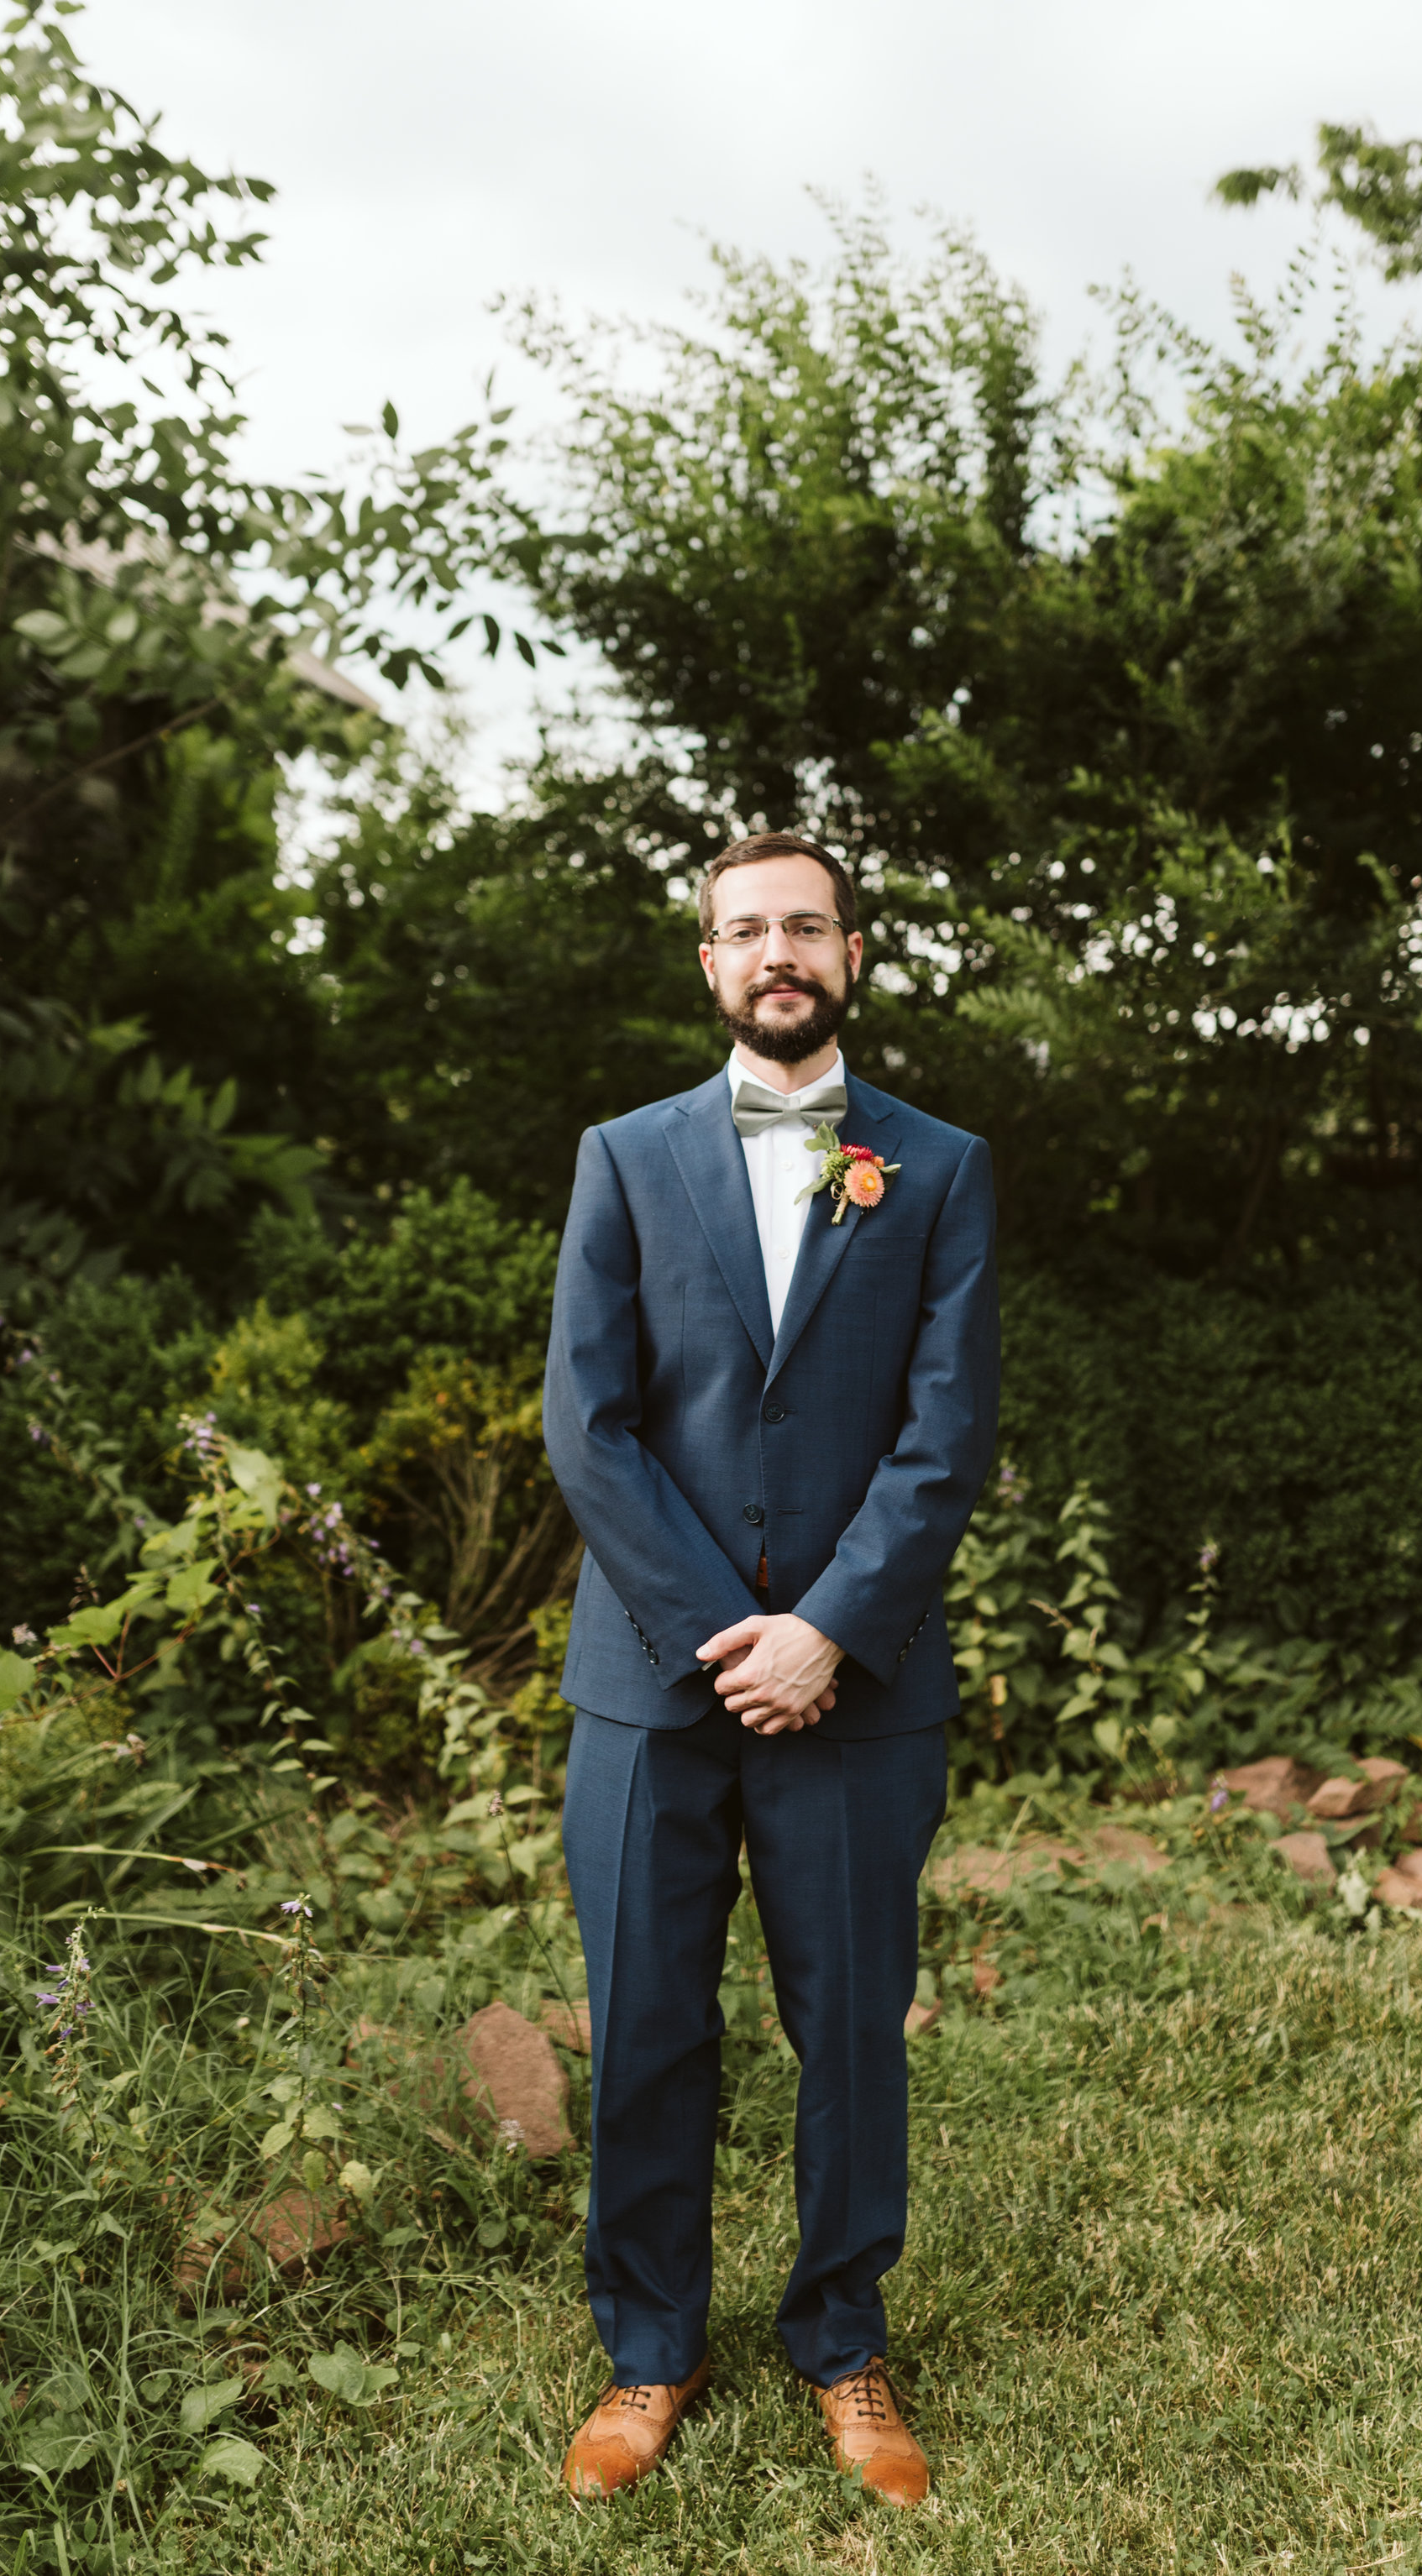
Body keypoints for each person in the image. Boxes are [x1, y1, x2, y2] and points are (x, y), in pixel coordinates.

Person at [542, 829, 1000, 2506]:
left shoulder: (935, 1168)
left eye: (804, 924)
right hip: (649, 1687)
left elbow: (945, 1437)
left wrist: (824, 1630)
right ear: (710, 964)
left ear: (853, 954)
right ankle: (649, 2347)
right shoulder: (623, 1155)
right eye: (745, 930)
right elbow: (584, 1426)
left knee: (850, 2029)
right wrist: (720, 1636)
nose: (776, 951)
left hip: (859, 1682)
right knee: (649, 2021)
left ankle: (844, 2343)